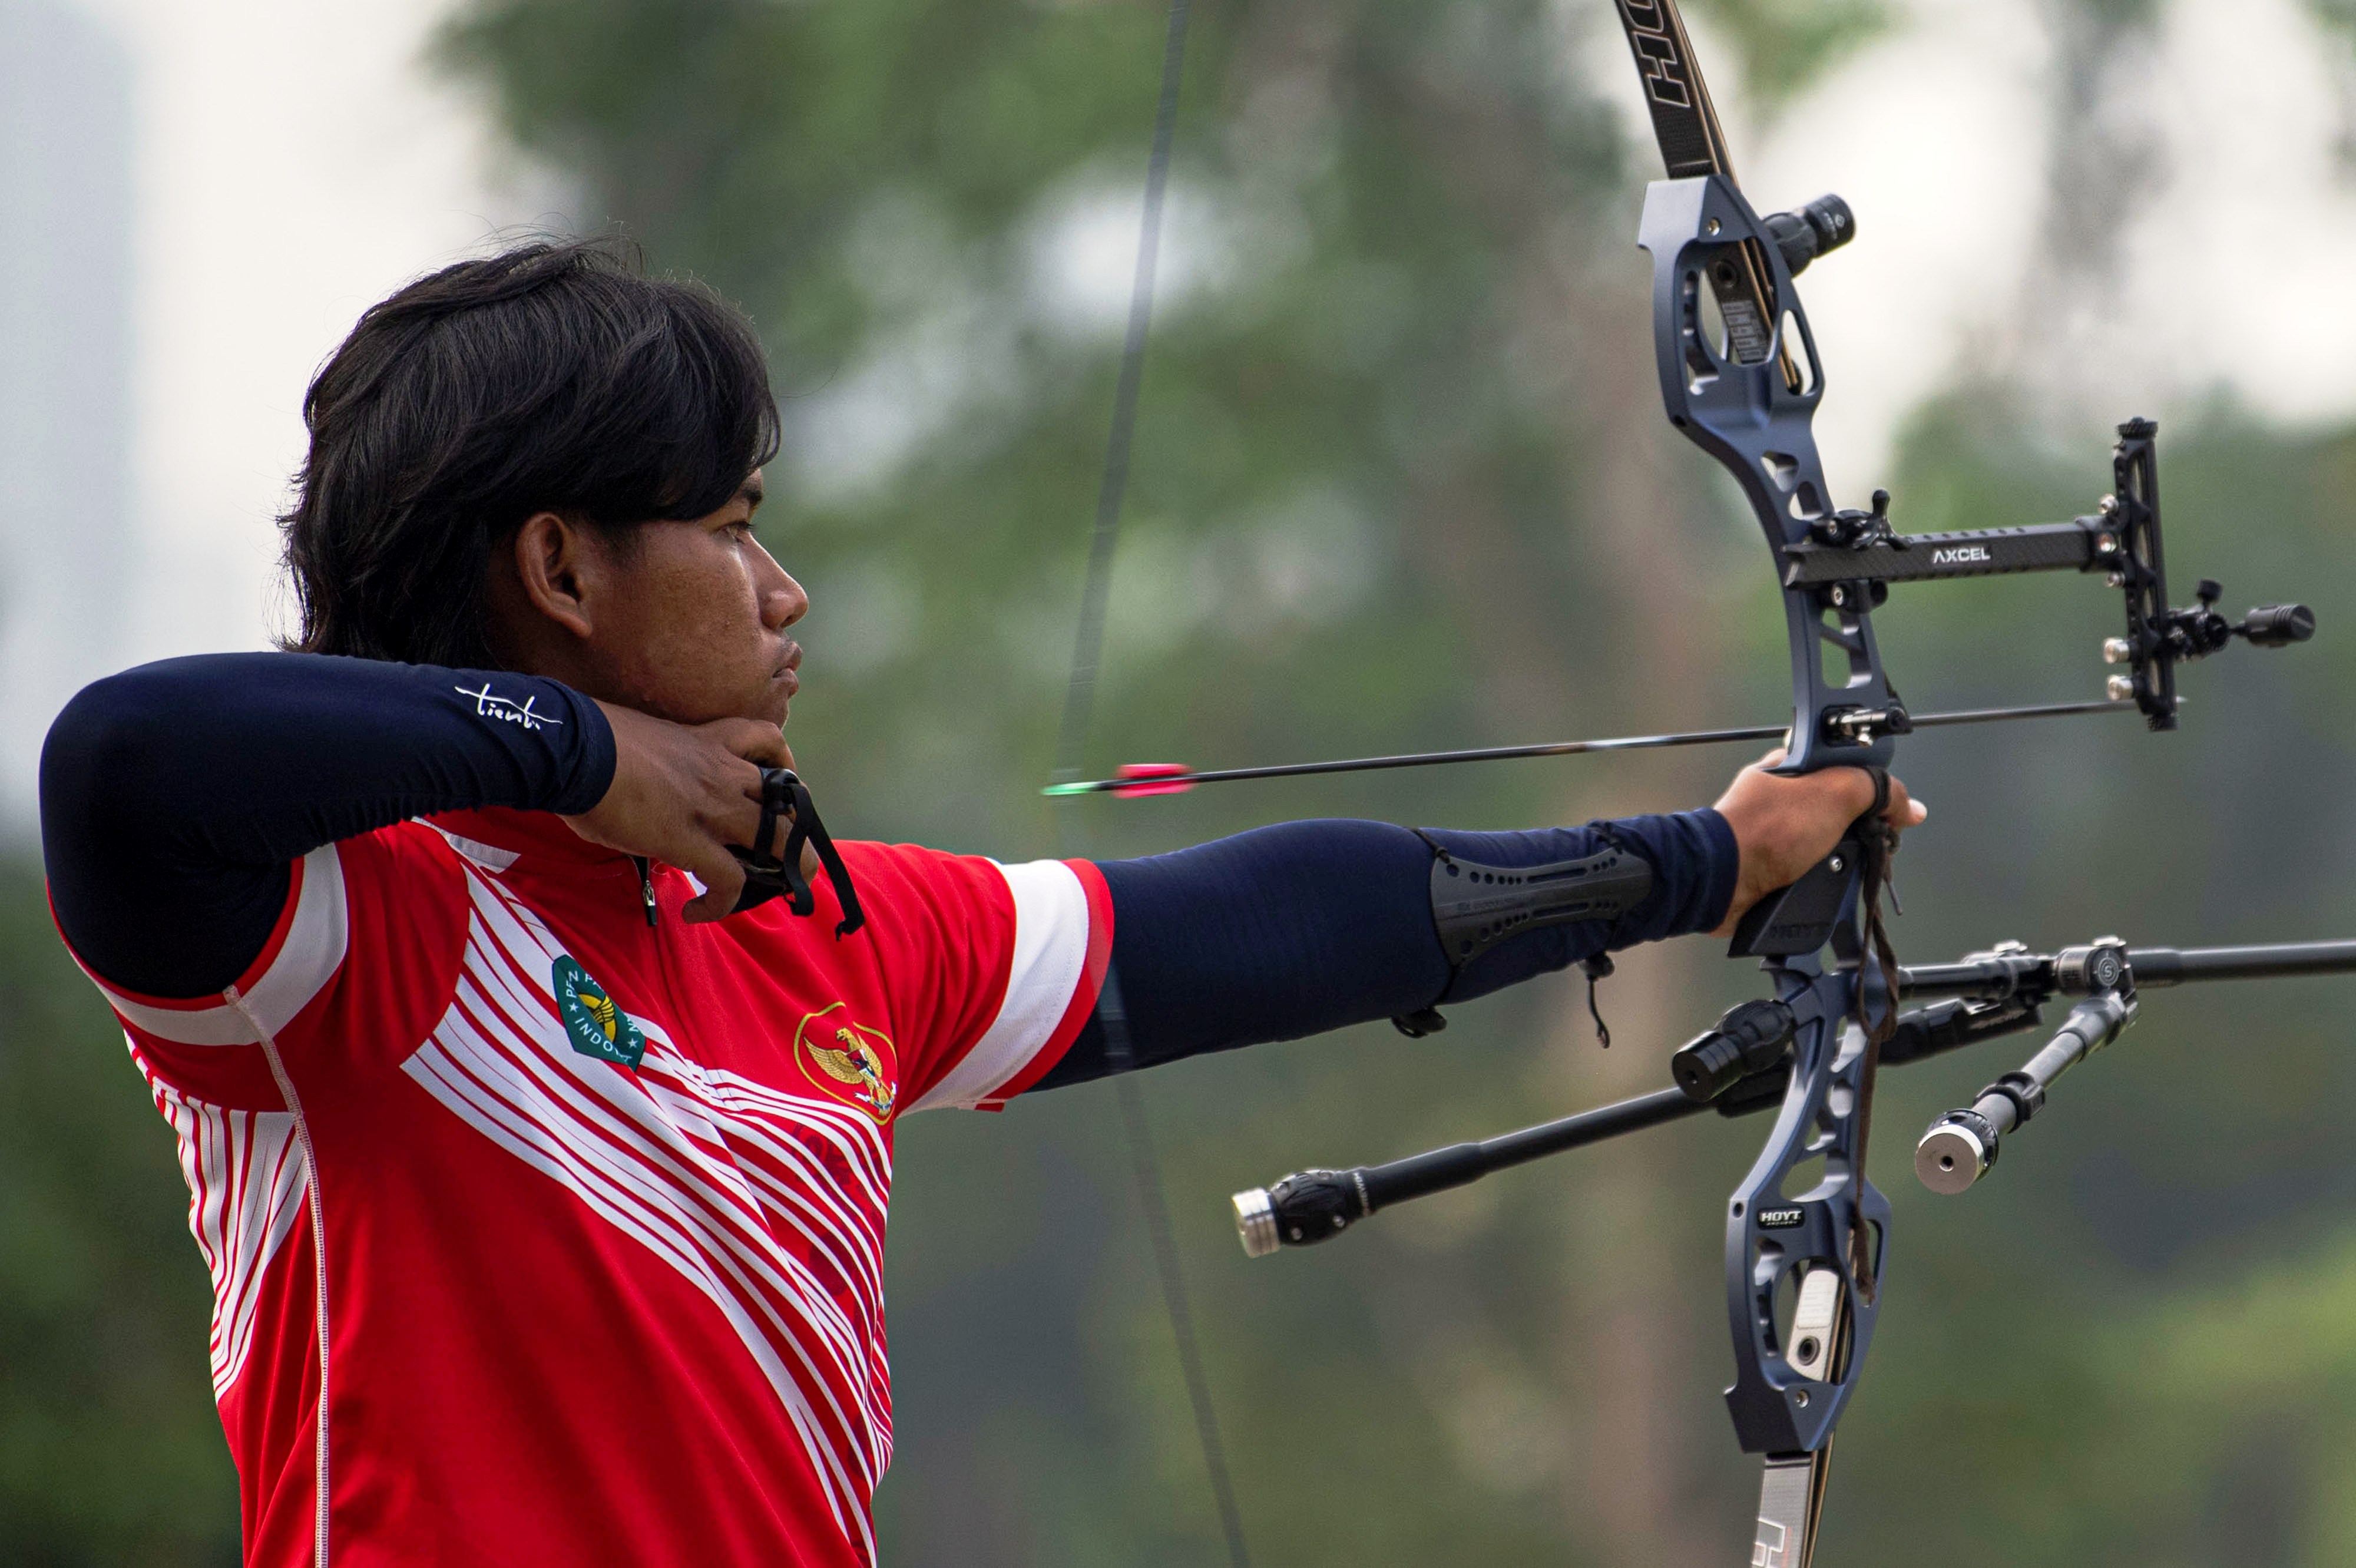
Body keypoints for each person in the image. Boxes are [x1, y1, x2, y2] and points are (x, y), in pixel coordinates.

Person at [37, 240, 1921, 1567]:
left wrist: (1712, 857)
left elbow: (1268, 924)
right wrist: (586, 757)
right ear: (561, 566)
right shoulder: (352, 947)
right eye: (734, 526)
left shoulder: (804, 928)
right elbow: (124, 757)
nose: (787, 598)